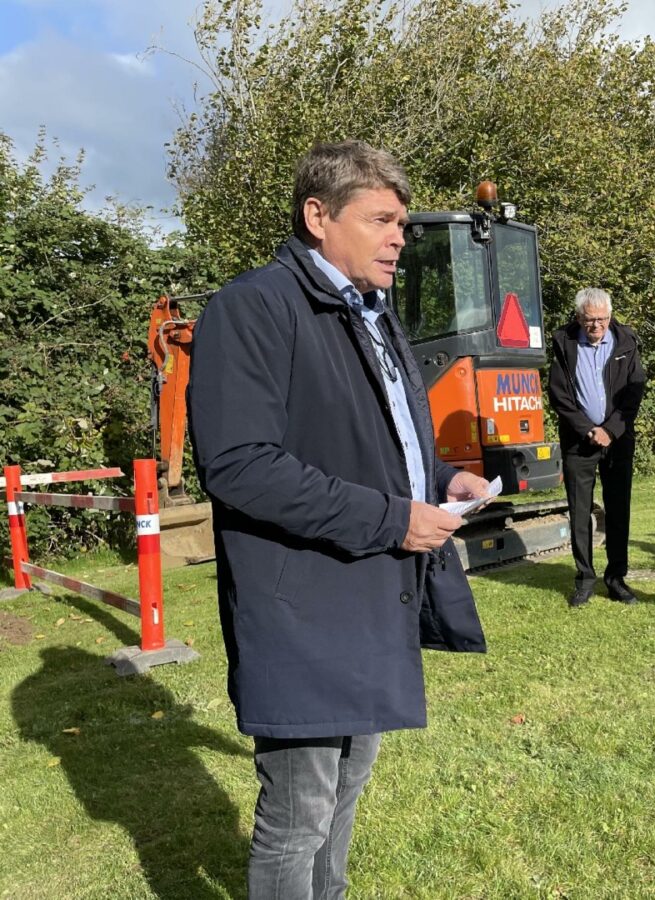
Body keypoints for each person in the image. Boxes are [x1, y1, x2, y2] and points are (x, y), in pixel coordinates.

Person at [188, 140, 491, 899]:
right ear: (317, 216)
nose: (399, 237)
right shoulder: (252, 308)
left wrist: (441, 476)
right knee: (298, 815)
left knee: (348, 790)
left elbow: (374, 435)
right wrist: (394, 518)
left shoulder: (372, 312)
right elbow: (240, 465)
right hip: (302, 606)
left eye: (404, 222)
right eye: (382, 219)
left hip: (369, 593)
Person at [548, 287, 646, 608]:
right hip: (579, 441)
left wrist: (611, 430)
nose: (597, 326)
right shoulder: (564, 343)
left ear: (610, 316)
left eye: (602, 319)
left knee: (619, 510)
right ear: (579, 318)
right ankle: (584, 579)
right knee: (580, 512)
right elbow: (559, 396)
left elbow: (634, 393)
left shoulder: (627, 342)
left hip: (618, 441)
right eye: (590, 320)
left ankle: (616, 579)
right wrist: (589, 429)